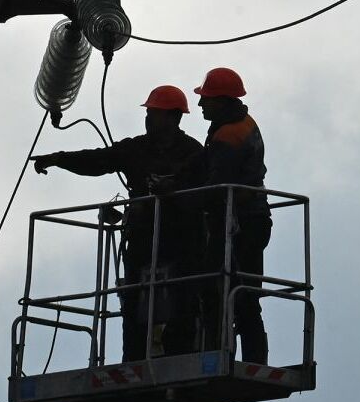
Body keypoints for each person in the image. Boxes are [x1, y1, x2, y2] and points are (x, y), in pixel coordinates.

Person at [31, 85, 203, 361]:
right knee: (134, 299)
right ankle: (133, 359)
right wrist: (59, 159)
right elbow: (98, 160)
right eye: (148, 113)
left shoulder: (193, 153)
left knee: (182, 297)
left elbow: (205, 191)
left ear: (174, 117)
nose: (148, 119)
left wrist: (172, 190)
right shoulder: (136, 148)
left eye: (154, 113)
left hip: (180, 237)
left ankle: (180, 354)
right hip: (142, 236)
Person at [194, 67, 271, 364]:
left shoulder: (228, 135)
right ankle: (254, 359)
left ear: (223, 101)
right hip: (252, 219)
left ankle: (216, 353)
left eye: (207, 99)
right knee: (245, 293)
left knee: (215, 288)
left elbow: (217, 183)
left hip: (238, 224)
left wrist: (183, 199)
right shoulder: (243, 124)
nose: (201, 104)